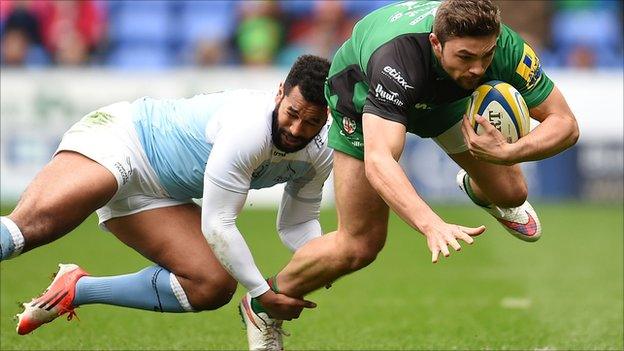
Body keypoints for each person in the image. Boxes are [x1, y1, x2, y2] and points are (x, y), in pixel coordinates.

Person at [239, 1, 579, 349]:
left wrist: (509, 153)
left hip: (445, 99)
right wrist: (430, 223)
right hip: (361, 97)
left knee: (512, 193)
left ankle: (478, 189)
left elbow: (566, 124)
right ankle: (263, 303)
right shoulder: (396, 58)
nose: (478, 69)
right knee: (359, 245)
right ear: (436, 43)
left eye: (486, 56)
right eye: (465, 57)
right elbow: (379, 161)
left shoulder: (505, 46)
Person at [0, 55, 332, 335]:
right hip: (124, 140)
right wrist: (261, 292)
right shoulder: (249, 127)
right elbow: (218, 224)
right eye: (292, 113)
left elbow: (297, 224)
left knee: (212, 286)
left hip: (159, 196)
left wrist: (324, 259)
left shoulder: (322, 152)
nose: (296, 129)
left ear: (327, 116)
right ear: (279, 94)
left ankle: (77, 288)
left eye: (312, 122)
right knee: (30, 230)